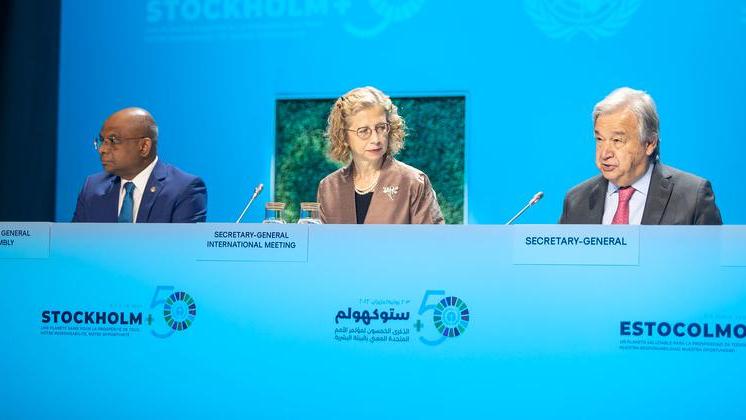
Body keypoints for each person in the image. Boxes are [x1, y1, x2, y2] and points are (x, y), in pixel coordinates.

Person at [560, 87, 721, 225]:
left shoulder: (693, 197)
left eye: (617, 140)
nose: (604, 154)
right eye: (600, 139)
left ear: (649, 143)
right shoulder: (575, 201)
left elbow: (711, 252)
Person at [316, 86, 444, 224]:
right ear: (344, 136)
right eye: (364, 131)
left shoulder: (414, 183)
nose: (376, 139)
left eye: (381, 127)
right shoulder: (329, 188)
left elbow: (433, 237)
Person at [73, 107, 207, 223]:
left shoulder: (183, 189)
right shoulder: (92, 188)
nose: (102, 149)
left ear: (144, 147)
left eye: (113, 140)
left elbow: (181, 244)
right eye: (102, 141)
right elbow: (75, 241)